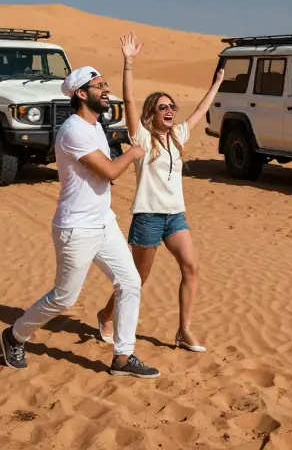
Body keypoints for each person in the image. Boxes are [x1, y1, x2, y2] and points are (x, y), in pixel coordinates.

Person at [0, 66, 160, 379]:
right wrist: (133, 152)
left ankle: (123, 357)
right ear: (81, 94)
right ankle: (15, 336)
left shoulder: (95, 125)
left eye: (106, 84)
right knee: (64, 297)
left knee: (129, 282)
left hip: (103, 222)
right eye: (100, 86)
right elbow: (110, 171)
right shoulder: (73, 129)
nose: (106, 90)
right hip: (76, 228)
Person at [96, 31, 223, 353]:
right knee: (137, 279)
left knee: (191, 267)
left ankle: (183, 330)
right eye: (163, 106)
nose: (170, 110)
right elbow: (128, 101)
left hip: (175, 216)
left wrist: (217, 83)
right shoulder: (141, 137)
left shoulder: (179, 134)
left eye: (173, 106)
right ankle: (106, 314)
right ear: (153, 112)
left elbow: (200, 109)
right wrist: (128, 63)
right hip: (148, 217)